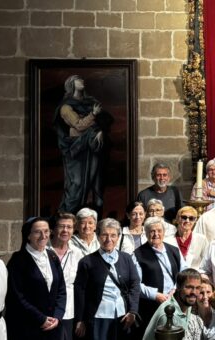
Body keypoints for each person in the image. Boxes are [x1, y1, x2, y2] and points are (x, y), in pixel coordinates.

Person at [73, 218, 140, 340]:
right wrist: (80, 319)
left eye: (113, 235)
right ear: (97, 236)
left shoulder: (126, 258)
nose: (109, 239)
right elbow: (80, 292)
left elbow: (135, 285)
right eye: (104, 235)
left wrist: (133, 311)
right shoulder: (87, 262)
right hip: (99, 317)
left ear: (118, 237)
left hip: (123, 316)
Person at [54, 74, 112, 213]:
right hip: (76, 148)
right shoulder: (66, 107)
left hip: (92, 147)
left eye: (82, 78)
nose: (82, 81)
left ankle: (92, 214)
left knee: (94, 181)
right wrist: (93, 114)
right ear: (71, 84)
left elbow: (105, 119)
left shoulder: (91, 102)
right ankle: (68, 215)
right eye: (78, 80)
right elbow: (78, 125)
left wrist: (100, 131)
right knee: (77, 183)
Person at [5, 217, 67, 340]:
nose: (43, 236)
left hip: (53, 326)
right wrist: (41, 318)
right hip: (27, 326)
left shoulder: (52, 256)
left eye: (46, 231)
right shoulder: (18, 260)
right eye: (37, 232)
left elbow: (61, 289)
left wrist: (57, 316)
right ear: (28, 235)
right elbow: (17, 296)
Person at [133, 216, 188, 339]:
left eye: (159, 231)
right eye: (152, 231)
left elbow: (184, 272)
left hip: (175, 301)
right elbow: (136, 284)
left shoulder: (173, 250)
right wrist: (156, 295)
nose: (156, 234)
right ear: (145, 233)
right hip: (151, 306)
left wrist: (176, 289)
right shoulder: (138, 254)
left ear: (164, 232)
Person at [142, 268, 206, 340]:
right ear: (178, 287)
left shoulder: (186, 304)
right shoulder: (168, 315)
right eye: (189, 287)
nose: (194, 292)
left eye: (198, 288)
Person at [49, 212, 82, 339]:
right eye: (61, 226)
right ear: (54, 229)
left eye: (69, 227)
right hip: (47, 311)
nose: (65, 230)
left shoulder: (77, 253)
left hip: (69, 311)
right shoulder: (44, 250)